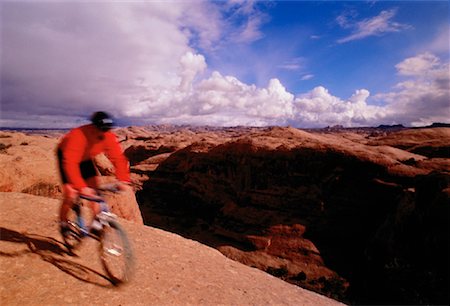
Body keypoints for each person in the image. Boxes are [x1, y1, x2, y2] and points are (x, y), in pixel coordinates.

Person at [57, 111, 131, 237]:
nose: (103, 133)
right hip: (67, 157)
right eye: (101, 129)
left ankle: (96, 226)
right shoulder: (78, 136)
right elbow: (70, 163)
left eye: (106, 129)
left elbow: (118, 158)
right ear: (94, 126)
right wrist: (81, 187)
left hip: (85, 159)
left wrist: (123, 179)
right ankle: (63, 223)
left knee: (95, 192)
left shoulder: (108, 136)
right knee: (70, 193)